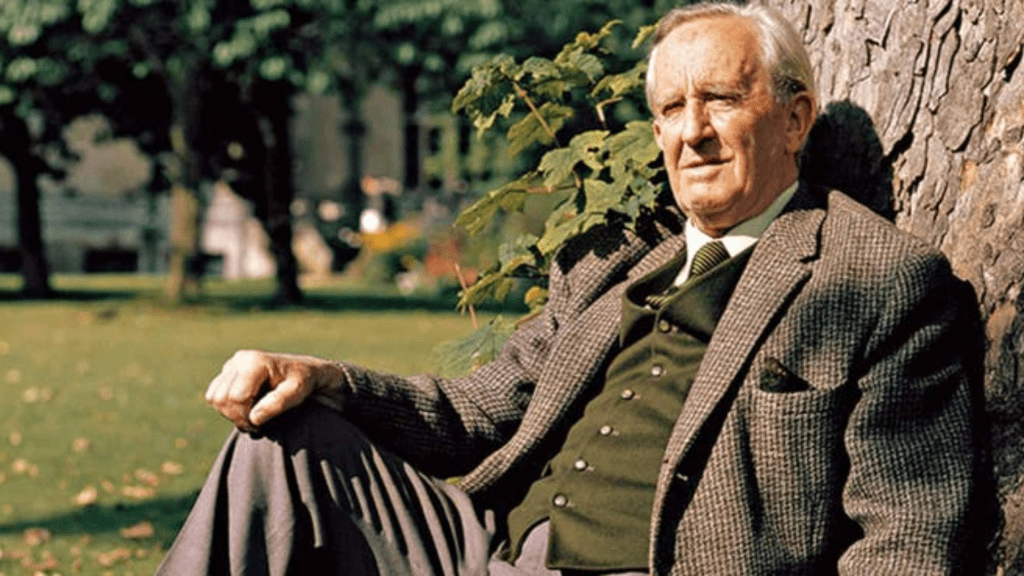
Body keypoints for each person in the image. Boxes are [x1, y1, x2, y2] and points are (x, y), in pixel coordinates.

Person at [156, 3, 993, 575]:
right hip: (482, 550)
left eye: (720, 100)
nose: (693, 132)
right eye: (672, 109)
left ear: (795, 117)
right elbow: (476, 413)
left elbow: (908, 532)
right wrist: (325, 379)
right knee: (278, 445)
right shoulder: (618, 259)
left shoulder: (875, 278)